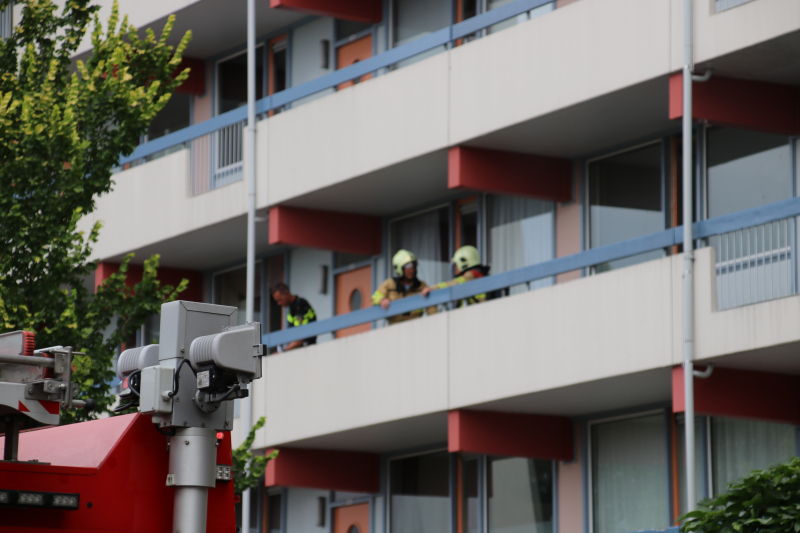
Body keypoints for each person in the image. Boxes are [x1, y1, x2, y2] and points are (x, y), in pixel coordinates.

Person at [372, 249, 438, 324]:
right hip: (394, 328)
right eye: (408, 266)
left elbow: (432, 310)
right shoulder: (389, 284)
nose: (412, 270)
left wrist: (436, 322)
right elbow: (374, 298)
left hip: (416, 326)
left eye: (413, 265)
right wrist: (382, 300)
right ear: (400, 268)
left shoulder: (421, 286)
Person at [421, 245, 491, 305]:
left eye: (456, 264)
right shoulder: (480, 274)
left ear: (463, 262)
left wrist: (433, 288)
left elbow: (455, 283)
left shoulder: (472, 274)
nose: (456, 268)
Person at [271, 282, 317, 351]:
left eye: (280, 300)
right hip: (300, 350)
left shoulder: (301, 305)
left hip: (308, 349)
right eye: (277, 301)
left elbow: (300, 337)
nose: (279, 303)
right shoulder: (290, 309)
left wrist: (284, 351)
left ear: (286, 293)